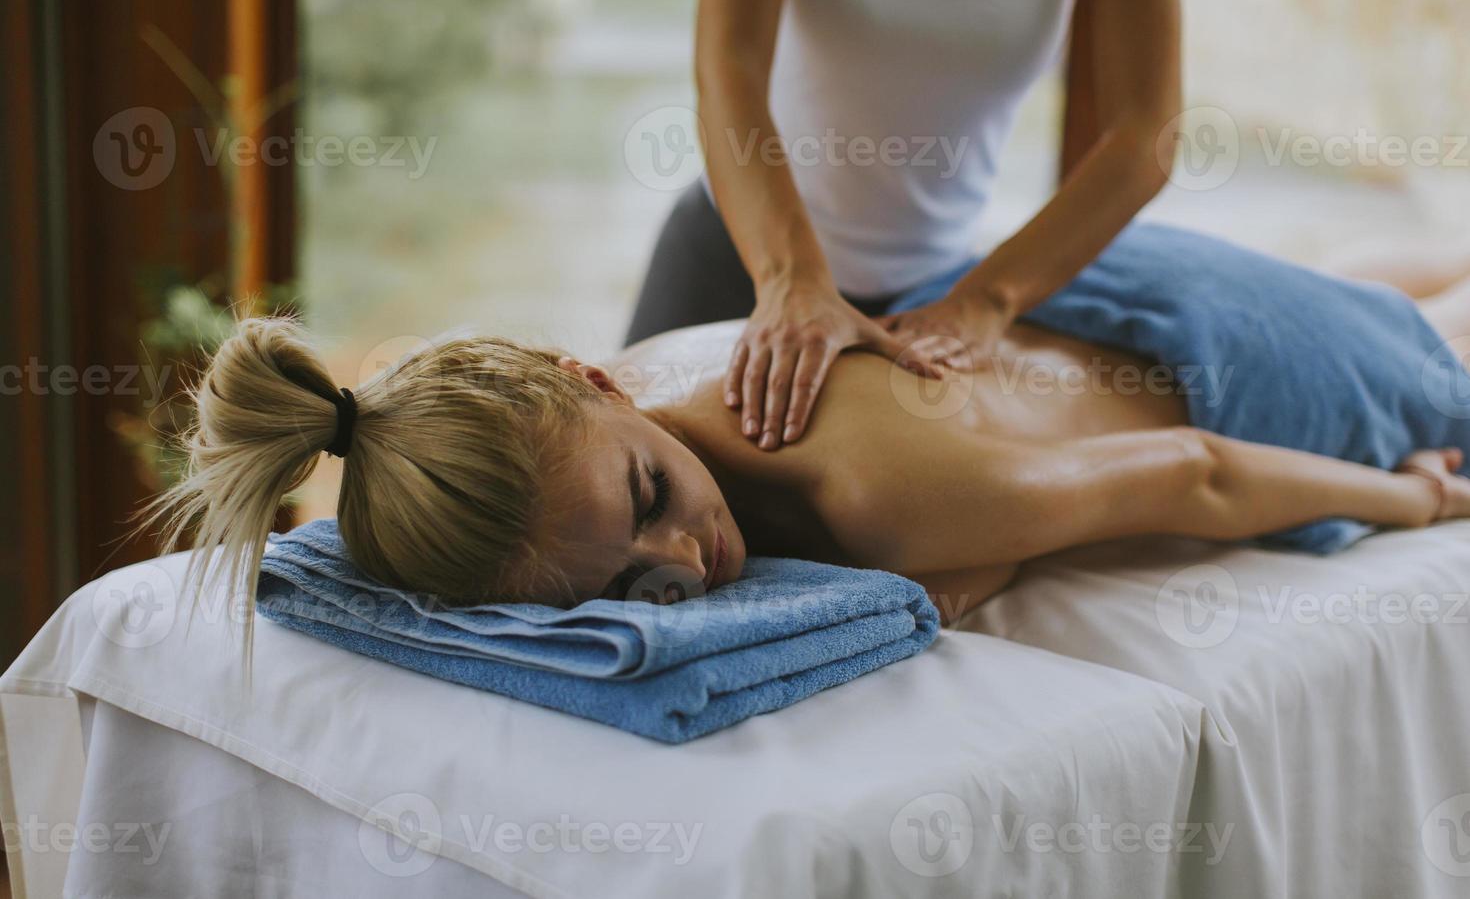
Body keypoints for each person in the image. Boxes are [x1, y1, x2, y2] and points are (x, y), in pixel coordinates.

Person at [147, 224, 1470, 633]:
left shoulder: (877, 500)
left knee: (1431, 353)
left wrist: (1411, 499)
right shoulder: (608, 395)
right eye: (623, 586)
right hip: (1094, 291)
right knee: (1389, 277)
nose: (685, 563)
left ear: (594, 384)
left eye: (651, 501)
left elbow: (1191, 468)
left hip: (1236, 373)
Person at [625, 0, 1182, 453]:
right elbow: (729, 69)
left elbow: (1143, 137)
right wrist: (790, 280)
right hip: (739, 261)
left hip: (935, 308)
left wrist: (988, 299)